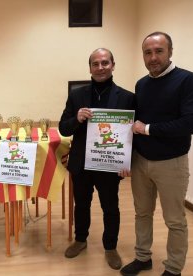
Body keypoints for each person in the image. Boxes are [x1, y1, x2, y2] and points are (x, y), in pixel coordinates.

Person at [120, 32, 193, 276]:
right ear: (143, 55)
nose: (153, 57)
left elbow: (191, 123)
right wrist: (125, 156)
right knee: (142, 213)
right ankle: (142, 257)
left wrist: (147, 129)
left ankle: (174, 268)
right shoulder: (141, 84)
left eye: (159, 51)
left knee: (175, 220)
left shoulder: (188, 80)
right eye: (148, 52)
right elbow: (132, 125)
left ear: (170, 51)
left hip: (172, 164)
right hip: (140, 162)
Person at [59, 48, 134, 270]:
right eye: (95, 64)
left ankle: (110, 247)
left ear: (113, 64)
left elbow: (131, 135)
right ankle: (80, 239)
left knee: (110, 207)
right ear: (90, 67)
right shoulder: (77, 95)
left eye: (104, 63)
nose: (100, 68)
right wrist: (77, 119)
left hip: (110, 164)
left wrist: (126, 163)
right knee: (81, 204)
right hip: (82, 163)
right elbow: (63, 128)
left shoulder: (128, 98)